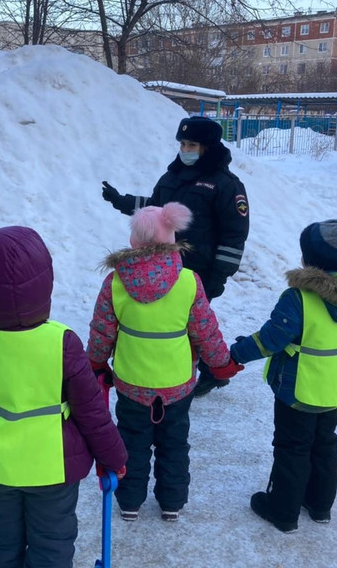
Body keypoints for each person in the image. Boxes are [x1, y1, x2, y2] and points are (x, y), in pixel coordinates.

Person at [0, 226, 128, 568]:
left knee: (0, 537)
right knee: (51, 542)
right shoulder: (61, 343)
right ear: (44, 284)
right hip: (52, 467)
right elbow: (91, 412)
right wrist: (114, 457)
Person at [87, 202, 243, 522]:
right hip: (177, 385)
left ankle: (129, 501)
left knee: (132, 442)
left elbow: (102, 330)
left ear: (133, 240)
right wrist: (220, 362)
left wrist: (97, 362)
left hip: (132, 383)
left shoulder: (115, 283)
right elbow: (205, 330)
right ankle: (171, 502)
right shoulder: (188, 282)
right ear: (172, 238)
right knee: (174, 443)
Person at [230, 214, 337, 533]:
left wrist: (236, 353)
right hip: (333, 387)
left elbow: (271, 340)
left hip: (296, 389)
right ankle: (320, 505)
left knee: (292, 447)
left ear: (313, 260)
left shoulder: (299, 298)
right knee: (325, 443)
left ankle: (282, 511)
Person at [101, 116, 249, 397]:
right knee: (170, 323)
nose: (185, 150)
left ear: (206, 147)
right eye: (182, 144)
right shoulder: (172, 177)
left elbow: (235, 232)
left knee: (195, 324)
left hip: (201, 269)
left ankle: (204, 374)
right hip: (165, 265)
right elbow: (154, 207)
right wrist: (121, 200)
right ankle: (172, 373)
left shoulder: (225, 184)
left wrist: (219, 275)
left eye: (191, 145)